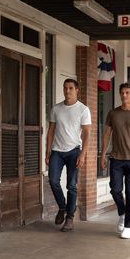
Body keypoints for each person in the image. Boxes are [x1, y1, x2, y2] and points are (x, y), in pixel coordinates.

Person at [100, 82, 130, 239]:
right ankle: (122, 212)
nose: (124, 95)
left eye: (127, 92)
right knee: (115, 189)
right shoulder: (113, 113)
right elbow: (107, 135)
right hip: (116, 158)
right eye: (122, 92)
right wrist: (102, 155)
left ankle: (129, 226)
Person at [45, 78, 91, 232]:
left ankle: (70, 217)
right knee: (52, 180)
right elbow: (51, 130)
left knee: (71, 185)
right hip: (57, 151)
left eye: (71, 88)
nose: (67, 91)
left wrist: (83, 154)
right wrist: (47, 151)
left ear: (77, 90)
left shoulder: (83, 110)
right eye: (65, 88)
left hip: (73, 151)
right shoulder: (56, 109)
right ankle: (62, 207)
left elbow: (87, 134)